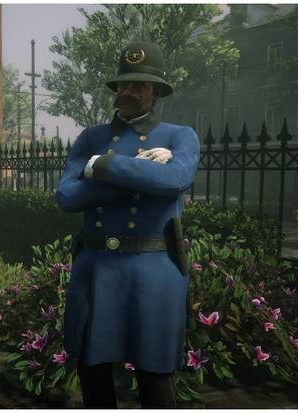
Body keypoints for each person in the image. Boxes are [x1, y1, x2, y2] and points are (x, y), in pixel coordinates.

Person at [55, 41, 200, 408]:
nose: (129, 91)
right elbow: (67, 197)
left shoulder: (179, 136)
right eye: (123, 84)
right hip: (97, 268)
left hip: (152, 271)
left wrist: (102, 167)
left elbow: (176, 179)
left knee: (155, 378)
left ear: (156, 92)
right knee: (93, 373)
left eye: (139, 85)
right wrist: (144, 171)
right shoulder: (92, 137)